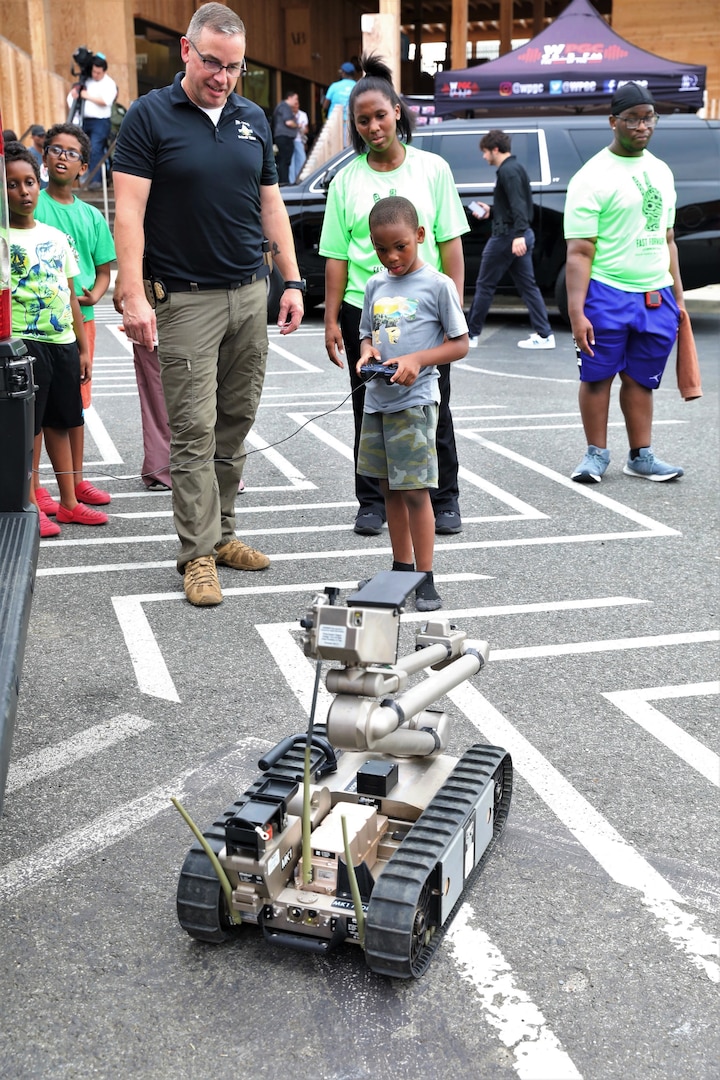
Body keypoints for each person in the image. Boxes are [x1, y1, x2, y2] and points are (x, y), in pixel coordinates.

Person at [112, 2, 305, 607]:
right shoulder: (148, 117)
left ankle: (223, 537)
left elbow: (271, 205)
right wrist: (133, 291)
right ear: (186, 51)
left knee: (235, 421)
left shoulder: (251, 118)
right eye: (213, 63)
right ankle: (195, 555)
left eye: (235, 68)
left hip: (250, 290)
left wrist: (292, 281)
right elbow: (131, 210)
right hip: (186, 298)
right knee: (192, 432)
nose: (223, 78)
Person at [319, 53, 466, 537]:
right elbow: (337, 256)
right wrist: (333, 319)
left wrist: (454, 310)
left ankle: (444, 499)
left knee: (433, 405)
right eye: (363, 120)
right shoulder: (346, 180)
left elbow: (451, 244)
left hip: (425, 309)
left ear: (397, 111)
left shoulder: (433, 169)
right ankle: (372, 502)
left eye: (380, 115)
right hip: (370, 310)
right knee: (370, 408)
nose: (373, 126)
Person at [565, 83, 685, 484]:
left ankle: (641, 455)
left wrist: (678, 299)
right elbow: (580, 251)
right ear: (613, 121)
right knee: (597, 376)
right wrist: (576, 311)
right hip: (607, 291)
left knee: (640, 379)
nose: (641, 126)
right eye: (632, 118)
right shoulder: (591, 176)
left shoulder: (662, 171)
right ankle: (595, 455)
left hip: (655, 293)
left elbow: (668, 240)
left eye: (648, 117)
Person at [357, 196, 468, 611]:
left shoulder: (438, 285)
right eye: (381, 248)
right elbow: (367, 334)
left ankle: (425, 576)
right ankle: (401, 568)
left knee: (417, 491)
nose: (392, 256)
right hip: (377, 401)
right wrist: (366, 354)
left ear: (419, 236)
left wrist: (417, 360)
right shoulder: (374, 285)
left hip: (415, 402)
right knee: (388, 487)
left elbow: (460, 344)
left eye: (401, 246)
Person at [5, 143, 107, 537]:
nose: (24, 192)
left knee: (63, 422)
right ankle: (31, 503)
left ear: (38, 181)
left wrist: (82, 348)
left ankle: (68, 503)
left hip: (62, 341)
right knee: (29, 427)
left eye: (29, 182)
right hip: (23, 344)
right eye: (12, 185)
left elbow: (70, 294)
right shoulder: (2, 239)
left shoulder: (55, 237)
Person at [34, 122, 116, 516]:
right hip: (39, 319)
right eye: (55, 149)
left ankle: (77, 480)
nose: (62, 157)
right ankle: (36, 487)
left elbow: (104, 269)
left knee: (76, 404)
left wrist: (96, 295)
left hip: (79, 320)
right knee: (38, 406)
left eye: (71, 153)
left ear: (84, 166)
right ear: (44, 156)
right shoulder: (33, 202)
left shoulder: (91, 216)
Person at [466, 129, 555, 351]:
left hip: (507, 237)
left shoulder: (508, 172)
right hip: (516, 235)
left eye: (485, 152)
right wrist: (492, 210)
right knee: (528, 286)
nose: (484, 157)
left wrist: (518, 235)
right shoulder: (514, 169)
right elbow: (518, 204)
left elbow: (518, 206)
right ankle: (545, 335)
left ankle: (471, 335)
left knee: (485, 284)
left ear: (495, 149)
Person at [67, 53, 117, 188]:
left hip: (100, 122)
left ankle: (96, 180)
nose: (95, 74)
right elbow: (73, 98)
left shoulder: (109, 83)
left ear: (104, 71)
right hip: (84, 119)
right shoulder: (87, 80)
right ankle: (81, 179)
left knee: (95, 148)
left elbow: (106, 101)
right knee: (82, 149)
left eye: (98, 72)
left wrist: (86, 96)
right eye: (94, 71)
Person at [322, 61, 356, 143]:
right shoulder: (357, 86)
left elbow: (325, 106)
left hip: (334, 123)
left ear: (343, 73)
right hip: (351, 123)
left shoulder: (334, 86)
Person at [272, 89, 300, 185]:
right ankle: (284, 182)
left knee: (284, 160)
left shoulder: (281, 106)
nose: (296, 101)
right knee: (285, 161)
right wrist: (297, 125)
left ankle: (284, 180)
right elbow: (288, 122)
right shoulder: (285, 106)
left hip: (282, 137)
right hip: (284, 137)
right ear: (289, 98)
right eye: (295, 99)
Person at [288, 100, 308, 184]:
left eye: (297, 104)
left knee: (302, 160)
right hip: (290, 140)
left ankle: (300, 181)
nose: (295, 106)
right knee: (291, 163)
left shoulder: (303, 114)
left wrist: (301, 128)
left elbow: (307, 129)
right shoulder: (288, 114)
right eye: (293, 105)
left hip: (299, 140)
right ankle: (292, 182)